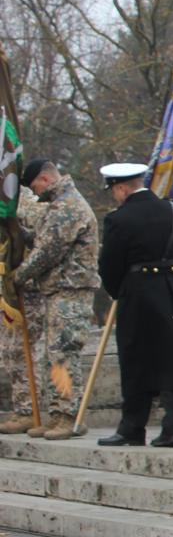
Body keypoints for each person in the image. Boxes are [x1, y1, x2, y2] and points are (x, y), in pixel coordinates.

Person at [96, 162, 173, 446]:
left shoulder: (118, 219)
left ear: (121, 188)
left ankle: (132, 426)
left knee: (137, 359)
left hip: (138, 291)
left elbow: (109, 264)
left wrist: (117, 291)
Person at [6, 160, 97, 439]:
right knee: (53, 356)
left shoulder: (67, 206)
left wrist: (17, 276)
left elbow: (47, 251)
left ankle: (69, 416)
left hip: (70, 292)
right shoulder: (58, 205)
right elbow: (43, 238)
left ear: (45, 179)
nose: (35, 192)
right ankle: (58, 413)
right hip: (57, 291)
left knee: (63, 356)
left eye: (34, 186)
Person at [0, 186, 45, 434]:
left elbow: (39, 234)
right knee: (9, 353)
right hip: (4, 290)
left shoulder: (19, 199)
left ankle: (31, 410)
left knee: (22, 350)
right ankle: (22, 409)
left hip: (25, 291)